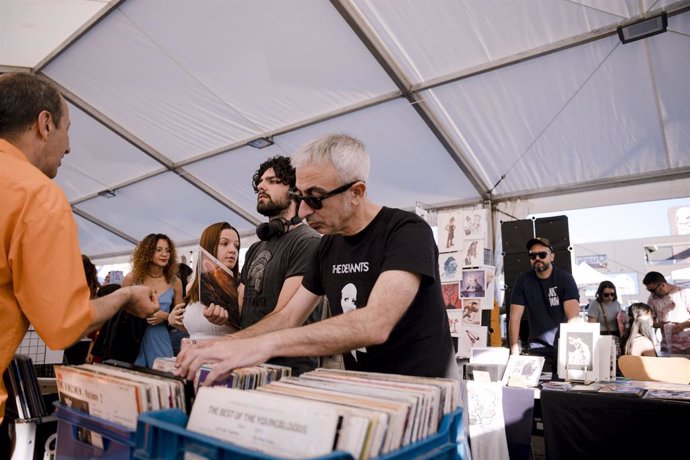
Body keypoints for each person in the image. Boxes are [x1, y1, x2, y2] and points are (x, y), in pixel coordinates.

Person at [175, 133, 456, 383]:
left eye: (316, 198)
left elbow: (375, 323)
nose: (305, 211)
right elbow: (287, 316)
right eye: (300, 196)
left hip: (426, 392)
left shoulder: (406, 232)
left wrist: (265, 345)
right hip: (367, 389)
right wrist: (228, 344)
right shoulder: (328, 247)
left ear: (356, 192)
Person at [0, 72, 158, 422]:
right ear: (44, 123)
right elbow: (64, 326)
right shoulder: (36, 195)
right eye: (67, 128)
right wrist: (124, 296)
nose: (69, 146)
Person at [206, 156, 324, 375]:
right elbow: (241, 310)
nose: (261, 185)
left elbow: (285, 317)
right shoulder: (254, 249)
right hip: (250, 362)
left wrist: (230, 343)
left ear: (295, 190)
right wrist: (221, 315)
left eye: (272, 180)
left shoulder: (308, 242)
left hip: (288, 371)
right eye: (260, 181)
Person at [509, 237, 580, 372]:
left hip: (565, 346)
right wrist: (514, 351)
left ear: (552, 257)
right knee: (539, 390)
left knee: (565, 389)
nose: (537, 258)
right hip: (538, 346)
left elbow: (573, 318)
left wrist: (570, 351)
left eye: (542, 254)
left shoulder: (565, 279)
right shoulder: (523, 281)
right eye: (533, 255)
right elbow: (514, 318)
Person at [168, 222, 240, 340]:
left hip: (222, 355)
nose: (233, 250)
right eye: (224, 243)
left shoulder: (241, 288)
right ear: (208, 245)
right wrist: (174, 321)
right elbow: (198, 330)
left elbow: (251, 331)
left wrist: (229, 322)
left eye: (236, 246)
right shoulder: (191, 286)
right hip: (191, 355)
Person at [122, 233, 183, 367]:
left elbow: (182, 323)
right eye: (159, 250)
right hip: (133, 341)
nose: (165, 254)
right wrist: (139, 312)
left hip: (160, 340)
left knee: (163, 380)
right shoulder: (131, 279)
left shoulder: (175, 282)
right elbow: (119, 314)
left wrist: (166, 316)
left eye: (168, 250)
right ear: (148, 252)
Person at [643, 271, 690, 355]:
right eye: (649, 290)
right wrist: (659, 325)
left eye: (653, 290)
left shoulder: (683, 293)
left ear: (663, 285)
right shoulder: (652, 299)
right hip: (667, 346)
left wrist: (683, 325)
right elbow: (649, 322)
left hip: (687, 345)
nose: (651, 293)